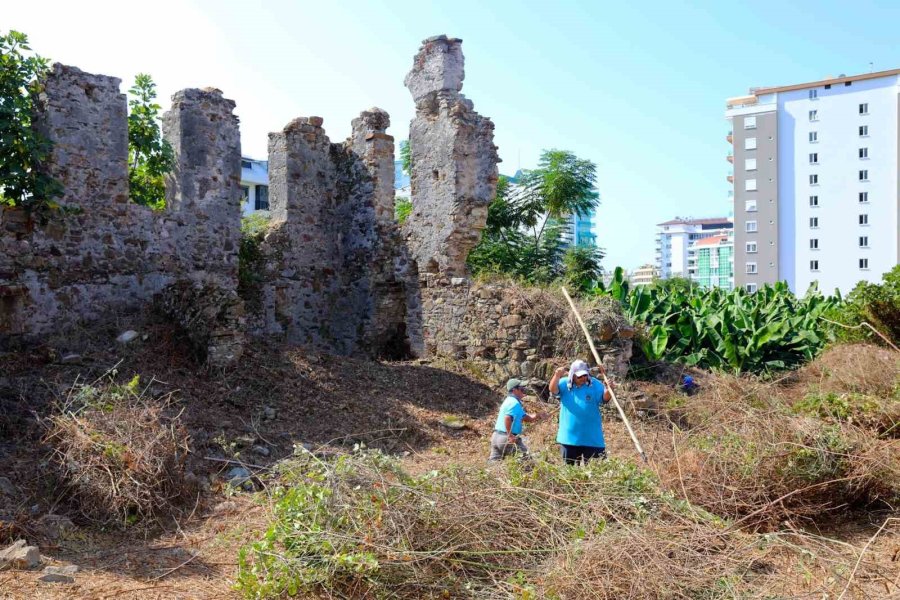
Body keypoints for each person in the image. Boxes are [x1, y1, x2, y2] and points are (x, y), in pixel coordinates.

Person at [549, 359, 612, 465]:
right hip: (569, 438)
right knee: (569, 471)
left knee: (596, 469)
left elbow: (604, 399)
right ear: (572, 375)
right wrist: (556, 376)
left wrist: (608, 389)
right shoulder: (565, 383)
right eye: (579, 376)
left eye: (585, 375)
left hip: (592, 437)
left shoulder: (594, 384)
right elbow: (553, 390)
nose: (583, 378)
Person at [488, 378, 544, 462]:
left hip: (496, 437)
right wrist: (510, 435)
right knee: (527, 462)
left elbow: (526, 418)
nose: (524, 390)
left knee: (494, 465)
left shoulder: (508, 400)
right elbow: (507, 418)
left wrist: (538, 415)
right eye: (521, 389)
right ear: (514, 390)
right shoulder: (514, 403)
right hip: (506, 438)